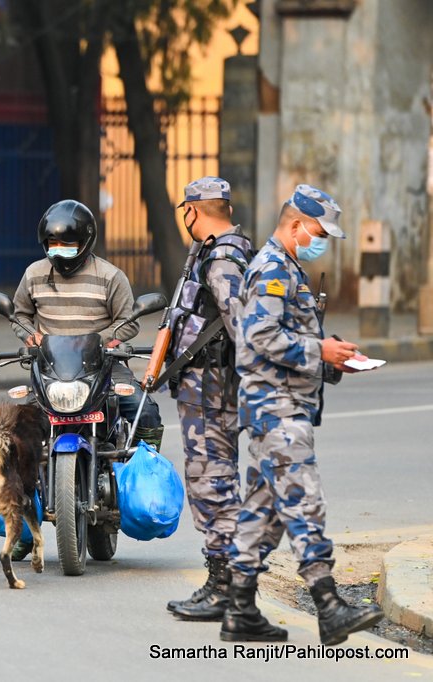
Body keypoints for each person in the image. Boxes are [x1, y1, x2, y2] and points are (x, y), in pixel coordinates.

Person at [220, 185, 383, 645]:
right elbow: (260, 338)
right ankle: (329, 606)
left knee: (265, 510)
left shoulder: (287, 268)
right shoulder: (272, 268)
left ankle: (239, 608)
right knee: (304, 499)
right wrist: (321, 349)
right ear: (295, 226)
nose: (322, 241)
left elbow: (287, 337)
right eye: (318, 232)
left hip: (282, 404)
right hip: (276, 408)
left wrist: (332, 359)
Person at [8, 199, 164, 560]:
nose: (60, 251)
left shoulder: (111, 276)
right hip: (50, 369)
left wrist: (110, 340)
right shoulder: (33, 274)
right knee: (12, 429)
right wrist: (28, 335)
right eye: (53, 244)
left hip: (102, 365)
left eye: (69, 244)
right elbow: (19, 314)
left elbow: (130, 320)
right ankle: (22, 523)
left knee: (145, 409)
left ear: (88, 241)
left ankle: (140, 477)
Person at [165, 177, 255, 621]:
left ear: (194, 211)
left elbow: (244, 330)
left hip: (213, 395)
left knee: (214, 486)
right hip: (204, 393)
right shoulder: (211, 253)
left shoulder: (221, 260)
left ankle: (228, 588)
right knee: (210, 483)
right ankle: (225, 584)